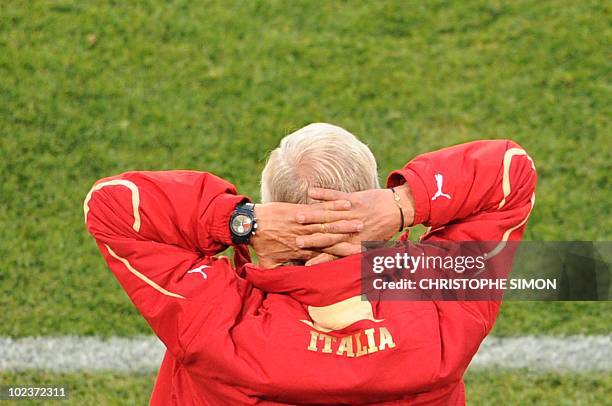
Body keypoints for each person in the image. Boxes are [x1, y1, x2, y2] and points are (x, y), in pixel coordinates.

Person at [84, 123, 536, 405]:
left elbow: (112, 207)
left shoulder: (217, 315)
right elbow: (510, 173)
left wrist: (239, 222)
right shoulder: (442, 300)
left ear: (271, 205)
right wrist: (404, 206)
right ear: (369, 199)